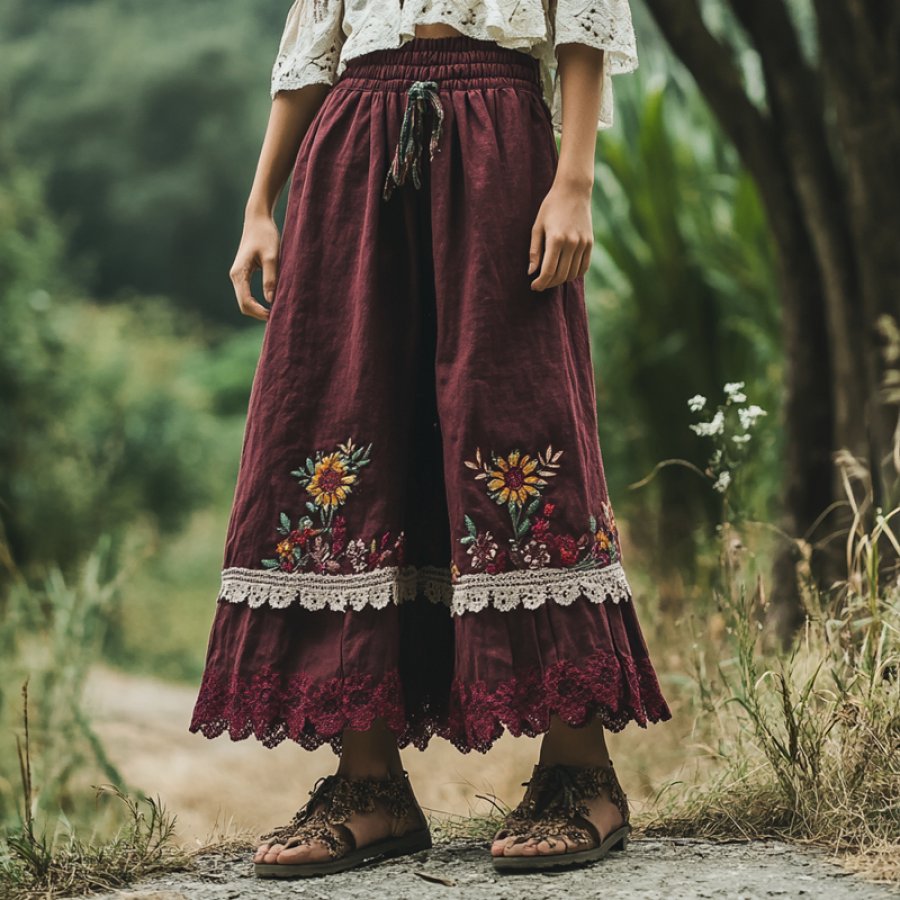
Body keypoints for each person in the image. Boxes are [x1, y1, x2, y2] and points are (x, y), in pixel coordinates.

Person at [189, 0, 672, 878]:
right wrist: (260, 205)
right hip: (353, 140)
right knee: (339, 422)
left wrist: (574, 182)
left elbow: (585, 20)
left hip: (499, 137)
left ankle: (580, 771)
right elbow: (310, 50)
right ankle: (369, 782)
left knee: (517, 423)